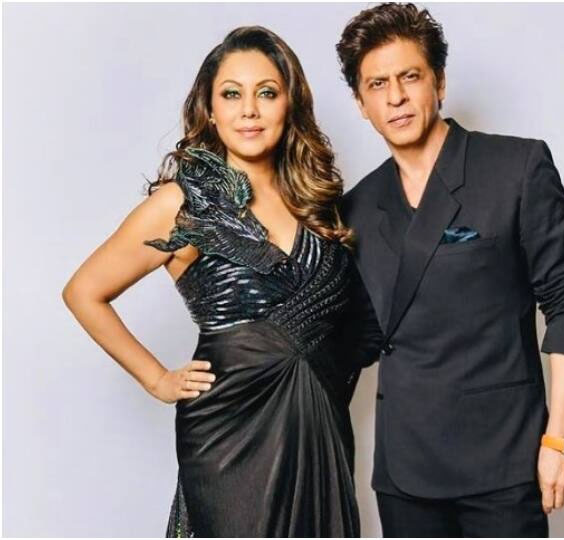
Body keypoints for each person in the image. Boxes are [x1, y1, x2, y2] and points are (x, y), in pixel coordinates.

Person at [62, 26, 381, 538]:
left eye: (267, 93)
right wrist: (157, 379)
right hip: (229, 438)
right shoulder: (181, 204)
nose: (249, 110)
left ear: (290, 105)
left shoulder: (318, 204)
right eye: (232, 94)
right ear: (209, 109)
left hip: (319, 430)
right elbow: (84, 292)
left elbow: (354, 329)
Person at [336, 3, 564, 537]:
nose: (395, 97)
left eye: (410, 77)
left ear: (439, 82)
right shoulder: (357, 207)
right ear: (361, 103)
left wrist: (562, 439)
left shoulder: (516, 168)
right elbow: (359, 337)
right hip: (405, 469)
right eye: (377, 84)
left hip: (503, 461)